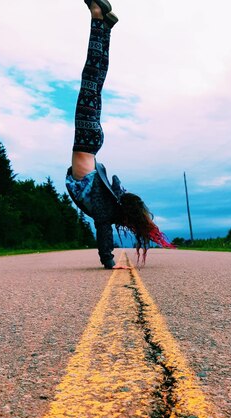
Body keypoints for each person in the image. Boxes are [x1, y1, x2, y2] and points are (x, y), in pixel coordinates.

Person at [66, 0, 175, 269]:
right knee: (91, 78)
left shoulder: (112, 204)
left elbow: (115, 186)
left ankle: (105, 26)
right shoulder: (108, 207)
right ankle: (98, 19)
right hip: (87, 141)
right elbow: (103, 229)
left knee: (95, 79)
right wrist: (109, 262)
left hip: (92, 144)